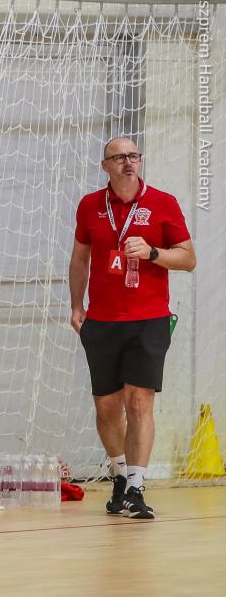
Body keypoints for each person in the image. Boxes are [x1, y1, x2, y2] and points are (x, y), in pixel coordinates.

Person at [70, 136, 195, 519]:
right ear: (105, 165)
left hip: (149, 319)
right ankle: (121, 475)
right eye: (119, 157)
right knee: (107, 406)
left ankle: (137, 488)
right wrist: (76, 305)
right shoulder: (90, 205)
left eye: (134, 156)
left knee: (139, 400)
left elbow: (188, 259)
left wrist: (154, 252)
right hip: (102, 320)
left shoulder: (162, 202)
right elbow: (80, 259)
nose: (128, 162)